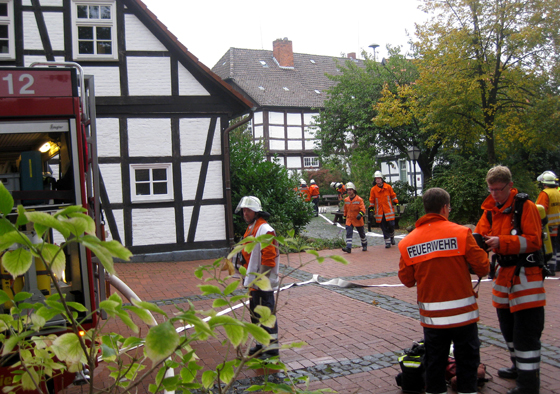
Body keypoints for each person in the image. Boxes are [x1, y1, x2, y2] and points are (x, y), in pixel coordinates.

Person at [398, 187, 489, 394]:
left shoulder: (408, 242)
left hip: (433, 319)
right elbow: (483, 267)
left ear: (425, 208)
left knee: (434, 364)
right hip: (464, 317)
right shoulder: (461, 233)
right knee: (467, 364)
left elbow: (406, 280)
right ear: (445, 208)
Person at [475, 165, 545, 394]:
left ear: (510, 186)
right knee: (508, 328)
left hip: (526, 278)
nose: (494, 194)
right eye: (491, 189)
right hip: (503, 277)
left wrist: (501, 242)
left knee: (525, 333)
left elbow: (534, 241)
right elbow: (479, 234)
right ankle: (518, 368)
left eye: (498, 189)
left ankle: (528, 384)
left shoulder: (526, 207)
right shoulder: (489, 209)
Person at [235, 196, 280, 358]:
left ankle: (271, 350)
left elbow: (268, 259)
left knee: (266, 314)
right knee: (256, 315)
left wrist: (260, 279)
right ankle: (261, 344)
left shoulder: (265, 230)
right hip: (254, 282)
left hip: (262, 282)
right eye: (244, 210)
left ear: (256, 212)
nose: (245, 213)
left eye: (248, 210)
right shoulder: (252, 228)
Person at [536, 171, 560, 274]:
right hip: (557, 223)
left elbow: (541, 210)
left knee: (547, 246)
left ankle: (550, 268)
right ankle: (557, 265)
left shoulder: (545, 193)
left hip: (547, 224)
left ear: (544, 183)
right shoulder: (557, 192)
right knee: (556, 245)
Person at [369, 170, 399, 248]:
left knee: (391, 225)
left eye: (379, 178)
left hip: (388, 210)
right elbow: (372, 200)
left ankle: (392, 236)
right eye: (376, 179)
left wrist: (397, 203)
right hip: (380, 212)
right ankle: (387, 242)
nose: (378, 180)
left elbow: (393, 196)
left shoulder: (388, 187)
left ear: (382, 179)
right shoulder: (373, 190)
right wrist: (371, 209)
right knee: (383, 227)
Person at [342, 182, 367, 253]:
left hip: (357, 219)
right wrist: (344, 217)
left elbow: (363, 208)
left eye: (350, 190)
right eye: (348, 190)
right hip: (349, 219)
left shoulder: (359, 199)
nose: (349, 191)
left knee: (361, 233)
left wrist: (360, 214)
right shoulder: (346, 200)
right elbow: (345, 210)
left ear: (354, 190)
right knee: (349, 233)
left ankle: (364, 244)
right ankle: (348, 247)